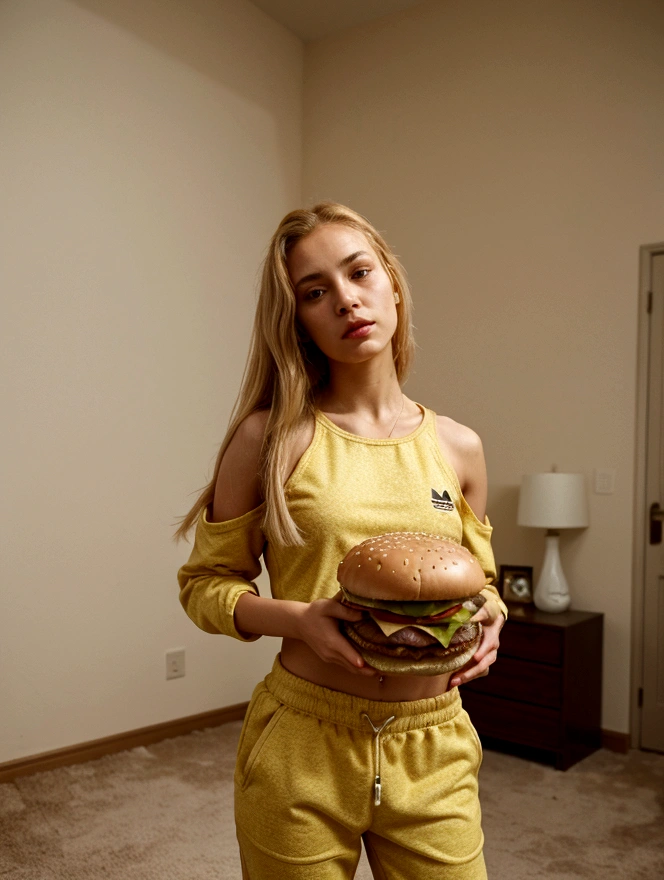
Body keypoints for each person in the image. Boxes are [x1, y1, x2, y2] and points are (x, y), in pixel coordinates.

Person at [174, 202, 508, 879]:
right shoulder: (267, 440)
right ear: (295, 318)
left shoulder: (460, 447)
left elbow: (483, 584)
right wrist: (297, 618)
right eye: (315, 291)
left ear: (391, 283)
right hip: (303, 742)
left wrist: (493, 620)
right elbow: (205, 587)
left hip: (435, 743)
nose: (346, 300)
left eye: (359, 273)